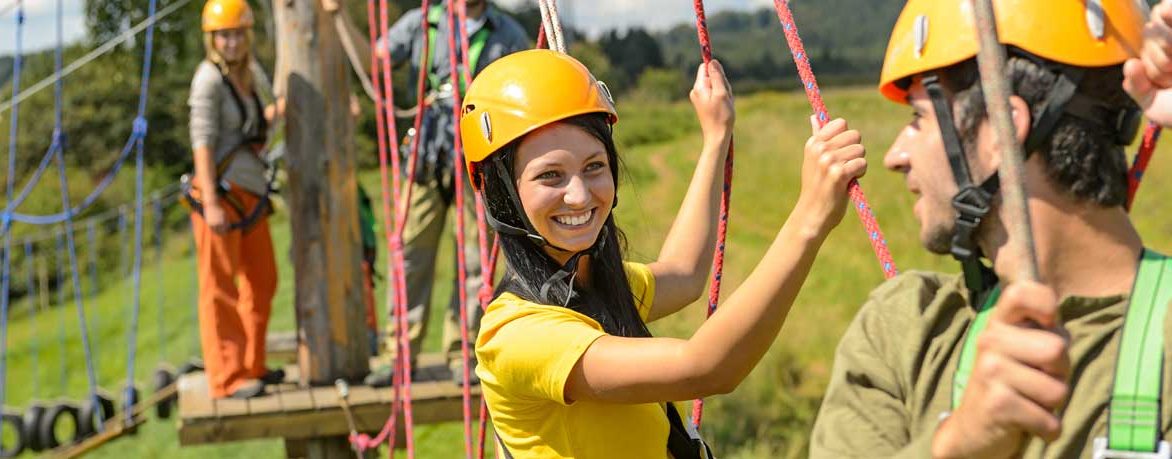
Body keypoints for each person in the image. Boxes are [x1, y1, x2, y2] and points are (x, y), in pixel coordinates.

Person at [809, 1, 1172, 457]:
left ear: (1001, 130)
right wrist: (960, 444)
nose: (895, 156)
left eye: (918, 120)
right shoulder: (906, 333)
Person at [462, 49, 866, 458]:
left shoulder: (588, 289)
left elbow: (683, 274)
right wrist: (810, 218)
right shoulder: (518, 335)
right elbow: (706, 368)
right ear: (502, 195)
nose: (580, 194)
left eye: (594, 166)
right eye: (550, 175)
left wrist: (715, 138)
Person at [365, 0, 530, 387]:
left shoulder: (508, 35)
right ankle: (400, 355)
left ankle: (464, 349)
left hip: (477, 163)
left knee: (475, 260)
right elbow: (375, 61)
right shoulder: (423, 24)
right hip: (425, 159)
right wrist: (340, 18)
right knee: (409, 256)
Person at [187, 0, 282, 400]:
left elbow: (258, 123)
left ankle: (252, 364)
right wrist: (209, 201)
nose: (231, 42)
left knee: (263, 280)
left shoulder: (251, 73)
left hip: (249, 195)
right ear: (212, 39)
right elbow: (202, 142)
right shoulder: (208, 81)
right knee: (219, 287)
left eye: (238, 34)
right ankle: (226, 378)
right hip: (219, 195)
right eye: (224, 35)